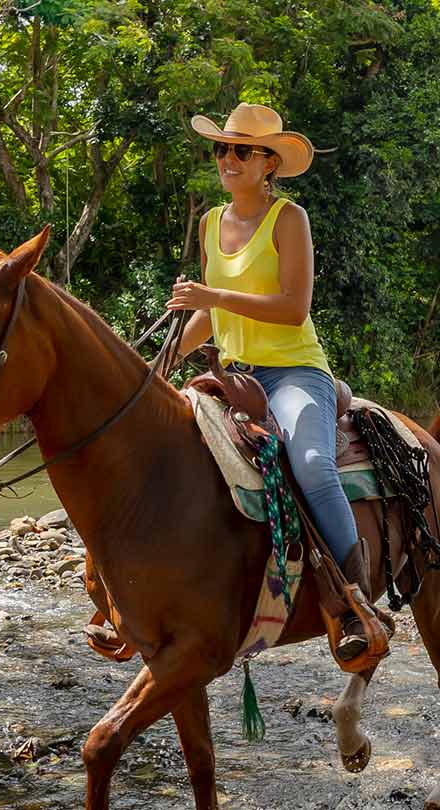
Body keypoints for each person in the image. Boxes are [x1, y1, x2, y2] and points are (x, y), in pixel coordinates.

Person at [166, 102, 373, 662]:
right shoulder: (211, 222)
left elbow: (291, 306)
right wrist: (161, 364)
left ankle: (353, 601)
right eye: (221, 149)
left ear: (268, 164)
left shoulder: (289, 219)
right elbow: (208, 317)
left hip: (292, 372)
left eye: (241, 151)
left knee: (311, 465)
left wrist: (211, 297)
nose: (227, 160)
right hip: (231, 375)